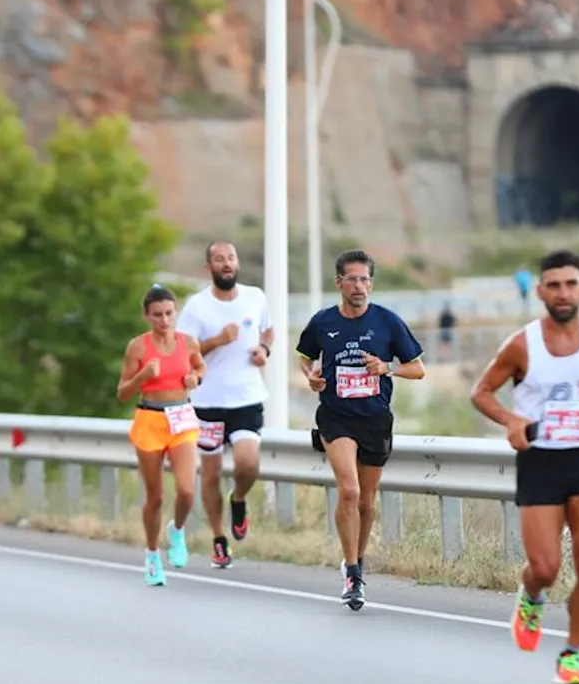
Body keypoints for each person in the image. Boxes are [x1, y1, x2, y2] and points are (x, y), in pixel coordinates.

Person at [470, 251, 579, 684]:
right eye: (554, 285)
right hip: (541, 460)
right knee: (544, 567)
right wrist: (511, 421)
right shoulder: (521, 344)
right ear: (540, 291)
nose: (563, 293)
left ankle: (572, 654)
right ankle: (531, 598)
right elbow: (482, 392)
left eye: (570, 284)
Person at [295, 249, 426, 610]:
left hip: (374, 417)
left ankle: (357, 558)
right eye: (352, 279)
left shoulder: (388, 322)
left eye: (365, 279)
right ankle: (352, 572)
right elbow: (304, 356)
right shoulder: (322, 322)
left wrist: (387, 368)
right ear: (339, 283)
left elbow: (418, 369)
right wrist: (312, 377)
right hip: (336, 416)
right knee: (349, 490)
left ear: (372, 283)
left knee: (367, 502)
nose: (359, 286)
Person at [177, 242, 272, 571]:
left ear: (237, 262)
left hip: (246, 397)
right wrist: (216, 340)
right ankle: (219, 539)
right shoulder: (196, 307)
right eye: (219, 259)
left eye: (231, 258)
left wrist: (263, 349)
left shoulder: (255, 297)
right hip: (207, 403)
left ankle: (239, 498)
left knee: (248, 464)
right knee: (212, 473)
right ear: (209, 268)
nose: (227, 264)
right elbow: (183, 353)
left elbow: (269, 330)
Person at [117, 284, 206, 587]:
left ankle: (177, 531)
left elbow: (199, 367)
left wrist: (196, 378)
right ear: (146, 316)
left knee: (187, 491)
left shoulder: (188, 343)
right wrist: (143, 376)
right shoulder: (138, 347)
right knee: (155, 497)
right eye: (157, 315)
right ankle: (152, 555)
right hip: (150, 420)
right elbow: (122, 392)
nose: (164, 320)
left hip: (181, 418)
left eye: (169, 313)